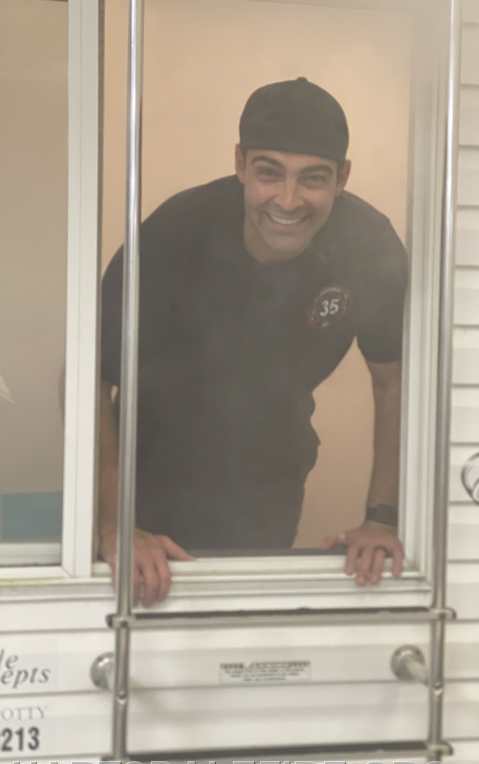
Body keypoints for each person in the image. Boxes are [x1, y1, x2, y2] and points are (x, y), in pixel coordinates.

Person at [98, 78, 408, 607]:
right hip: (146, 472)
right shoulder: (172, 236)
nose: (288, 201)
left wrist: (381, 519)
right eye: (269, 173)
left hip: (268, 476)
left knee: (239, 631)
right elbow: (85, 379)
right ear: (240, 164)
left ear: (342, 178)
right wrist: (113, 525)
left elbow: (394, 380)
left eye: (313, 178)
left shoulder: (368, 246)